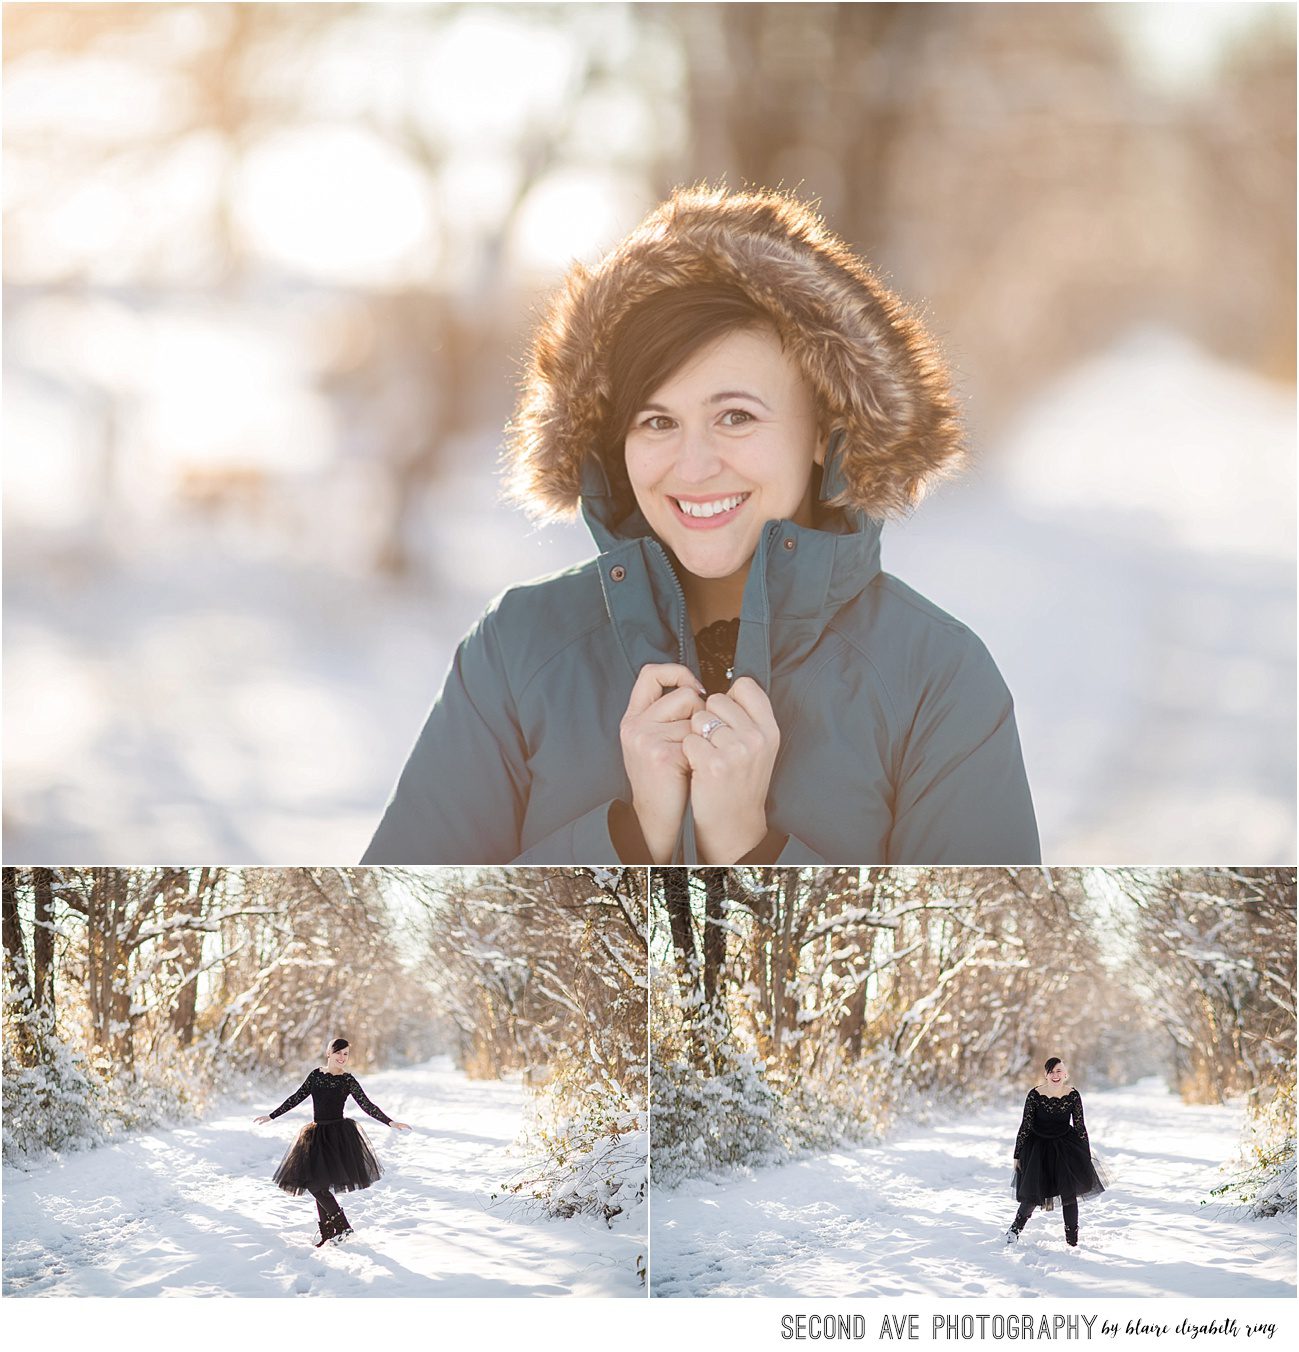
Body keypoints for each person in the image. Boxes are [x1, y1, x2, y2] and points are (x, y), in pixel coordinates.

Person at [363, 185, 1039, 865]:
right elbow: (392, 956)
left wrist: (749, 850)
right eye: (656, 422)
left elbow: (975, 971)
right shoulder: (517, 653)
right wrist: (629, 841)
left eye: (735, 416)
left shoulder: (935, 683)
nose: (692, 465)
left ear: (822, 429)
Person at [255, 1038, 411, 1246]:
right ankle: (329, 1231)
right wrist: (272, 1116)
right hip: (317, 1135)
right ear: (328, 1053)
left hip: (338, 1137)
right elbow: (296, 1097)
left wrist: (390, 1122)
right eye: (338, 1052)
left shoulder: (347, 1080)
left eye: (346, 1054)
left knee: (317, 1186)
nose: (342, 1057)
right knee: (318, 1184)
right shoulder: (315, 1076)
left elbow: (366, 1104)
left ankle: (344, 1228)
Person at [1006, 1056, 1106, 1248]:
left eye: (1059, 1071)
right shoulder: (1034, 1095)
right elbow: (1025, 1126)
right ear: (1045, 1074)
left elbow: (1080, 1126)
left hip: (1065, 1148)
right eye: (1051, 1071)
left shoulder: (1073, 1095)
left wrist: (1085, 1155)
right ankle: (1014, 1231)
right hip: (1037, 1149)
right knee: (1032, 1195)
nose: (1055, 1075)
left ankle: (1072, 1241)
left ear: (1065, 1073)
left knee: (1069, 1195)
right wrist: (1017, 1154)